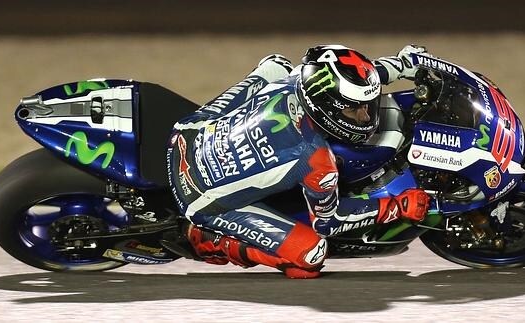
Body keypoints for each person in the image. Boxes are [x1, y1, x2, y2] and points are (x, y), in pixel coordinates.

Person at [166, 44, 431, 278]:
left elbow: (360, 74)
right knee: (309, 256)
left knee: (276, 65)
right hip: (200, 196)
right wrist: (395, 207)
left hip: (188, 132)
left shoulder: (300, 79)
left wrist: (404, 65)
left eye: (367, 104)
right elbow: (329, 222)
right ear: (325, 109)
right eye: (354, 109)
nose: (365, 116)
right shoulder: (315, 158)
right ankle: (207, 241)